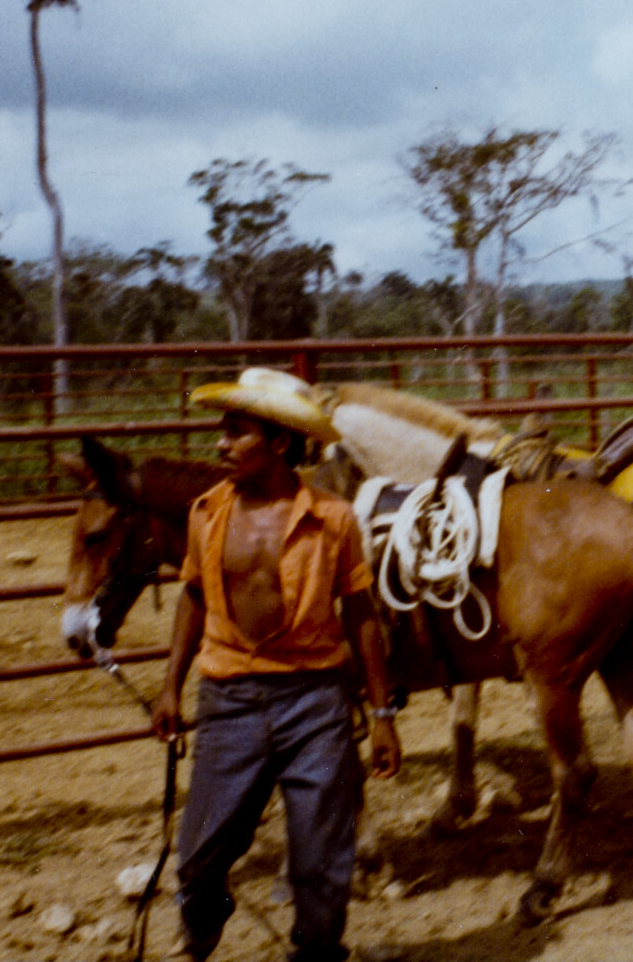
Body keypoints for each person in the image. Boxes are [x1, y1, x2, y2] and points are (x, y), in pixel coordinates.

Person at [151, 367, 401, 962]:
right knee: (201, 851)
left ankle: (316, 953)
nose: (221, 444)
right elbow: (192, 596)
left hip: (314, 701)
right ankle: (200, 936)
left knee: (320, 858)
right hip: (229, 697)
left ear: (280, 442)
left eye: (237, 432)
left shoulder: (333, 519)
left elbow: (361, 612)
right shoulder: (206, 514)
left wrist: (382, 710)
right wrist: (170, 688)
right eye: (223, 431)